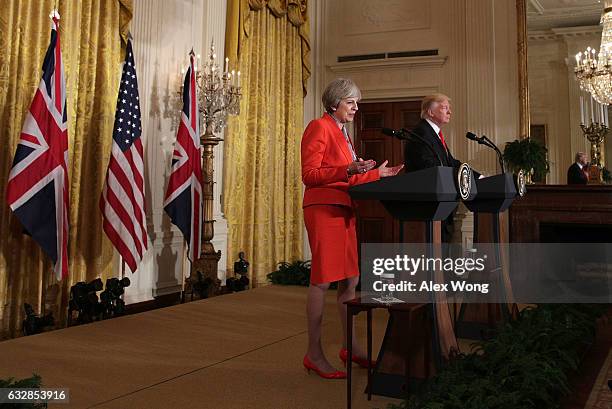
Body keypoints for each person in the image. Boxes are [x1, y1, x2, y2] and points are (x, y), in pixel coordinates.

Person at [301, 78, 403, 379]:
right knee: (321, 281)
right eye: (351, 102)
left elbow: (347, 179)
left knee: (351, 280)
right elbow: (310, 174)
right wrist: (348, 168)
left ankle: (351, 347)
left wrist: (378, 174)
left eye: (357, 103)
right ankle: (314, 354)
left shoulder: (344, 133)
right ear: (334, 103)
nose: (356, 108)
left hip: (344, 209)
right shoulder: (319, 127)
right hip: (323, 211)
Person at [403, 93, 480, 242]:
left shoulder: (434, 133)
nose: (449, 112)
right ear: (430, 112)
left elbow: (451, 162)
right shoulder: (421, 133)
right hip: (430, 205)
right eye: (445, 108)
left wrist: (477, 176)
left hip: (442, 205)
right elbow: (429, 166)